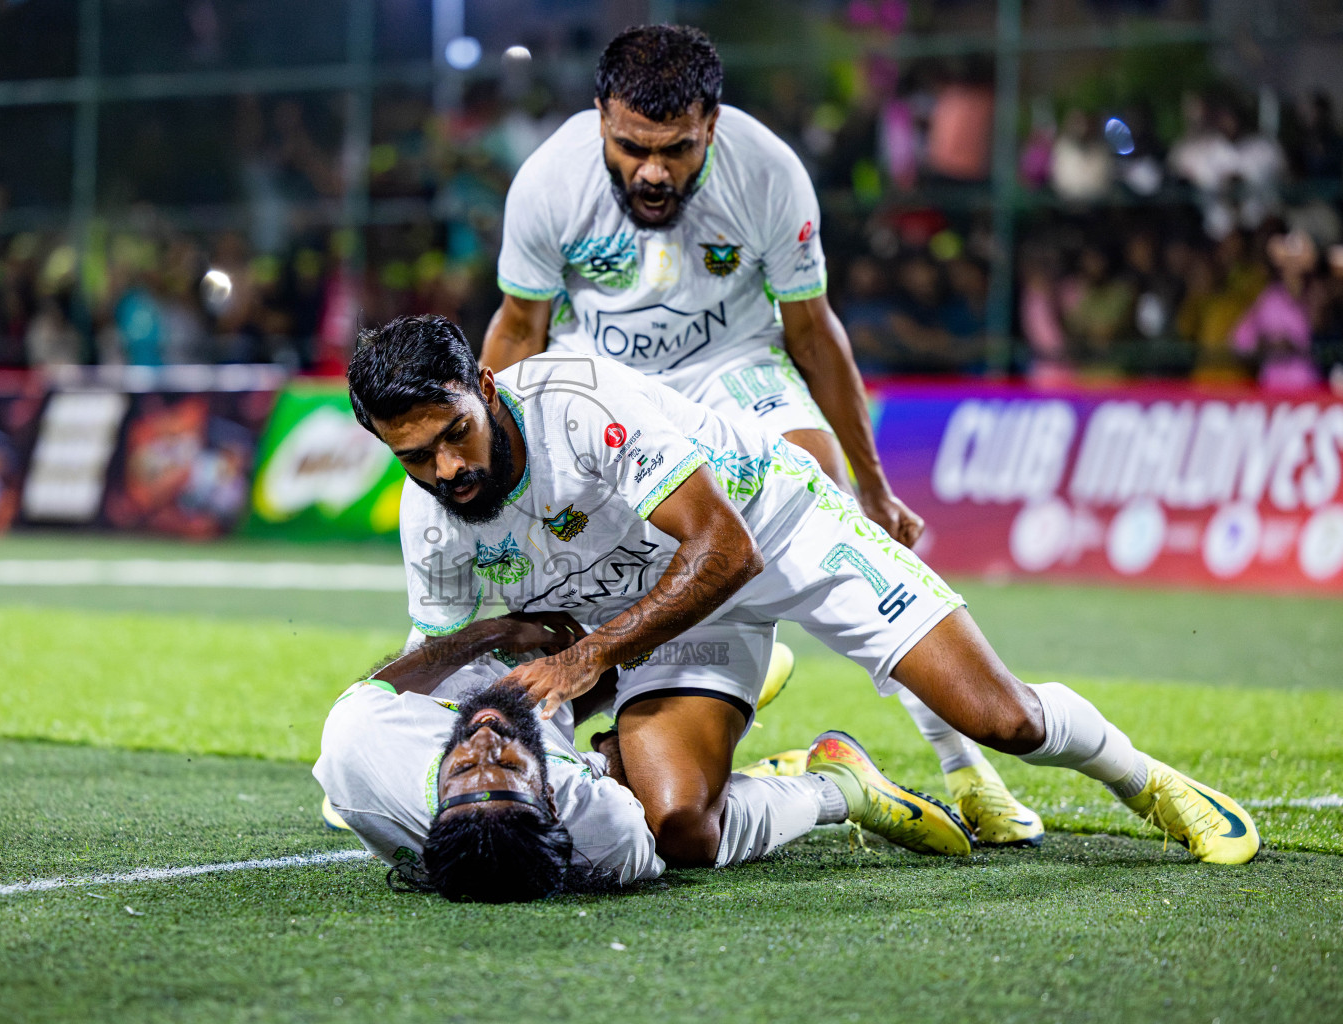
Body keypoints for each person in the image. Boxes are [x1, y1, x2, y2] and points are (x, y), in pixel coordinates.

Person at [347, 314, 1261, 870]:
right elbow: (454, 662)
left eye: (454, 433)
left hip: (776, 531)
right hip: (662, 618)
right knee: (676, 829)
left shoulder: (578, 407)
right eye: (415, 455)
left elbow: (725, 547)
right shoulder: (427, 516)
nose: (447, 467)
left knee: (1003, 721)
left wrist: (590, 657)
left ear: (486, 385)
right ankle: (836, 784)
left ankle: (1150, 785)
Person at [475, 24, 1039, 845]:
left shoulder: (769, 171)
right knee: (561, 587)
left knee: (836, 509)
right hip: (608, 387)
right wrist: (494, 479)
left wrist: (873, 485)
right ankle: (567, 734)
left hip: (735, 367)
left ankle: (963, 765)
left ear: (712, 120)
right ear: (600, 115)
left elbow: (813, 333)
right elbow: (518, 329)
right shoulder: (548, 183)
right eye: (632, 147)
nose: (653, 171)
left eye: (675, 148)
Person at [314, 611, 971, 903]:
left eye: (466, 768)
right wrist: (628, 755)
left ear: (437, 805)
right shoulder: (604, 836)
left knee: (545, 658)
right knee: (682, 827)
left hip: (467, 667)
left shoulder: (364, 744)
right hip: (564, 747)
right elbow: (615, 805)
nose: (485, 741)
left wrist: (491, 631)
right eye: (509, 767)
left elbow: (385, 685)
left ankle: (702, 697)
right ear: (550, 800)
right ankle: (836, 783)